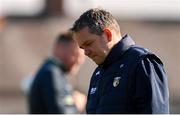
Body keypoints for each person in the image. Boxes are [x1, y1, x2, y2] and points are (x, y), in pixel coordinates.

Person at [71, 8, 169, 114]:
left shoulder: (142, 63)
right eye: (82, 47)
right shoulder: (97, 74)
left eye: (89, 43)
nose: (85, 52)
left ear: (108, 35)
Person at [28, 30, 85, 114]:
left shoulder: (54, 73)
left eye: (83, 57)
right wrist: (76, 105)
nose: (80, 61)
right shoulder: (51, 74)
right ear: (59, 48)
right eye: (75, 54)